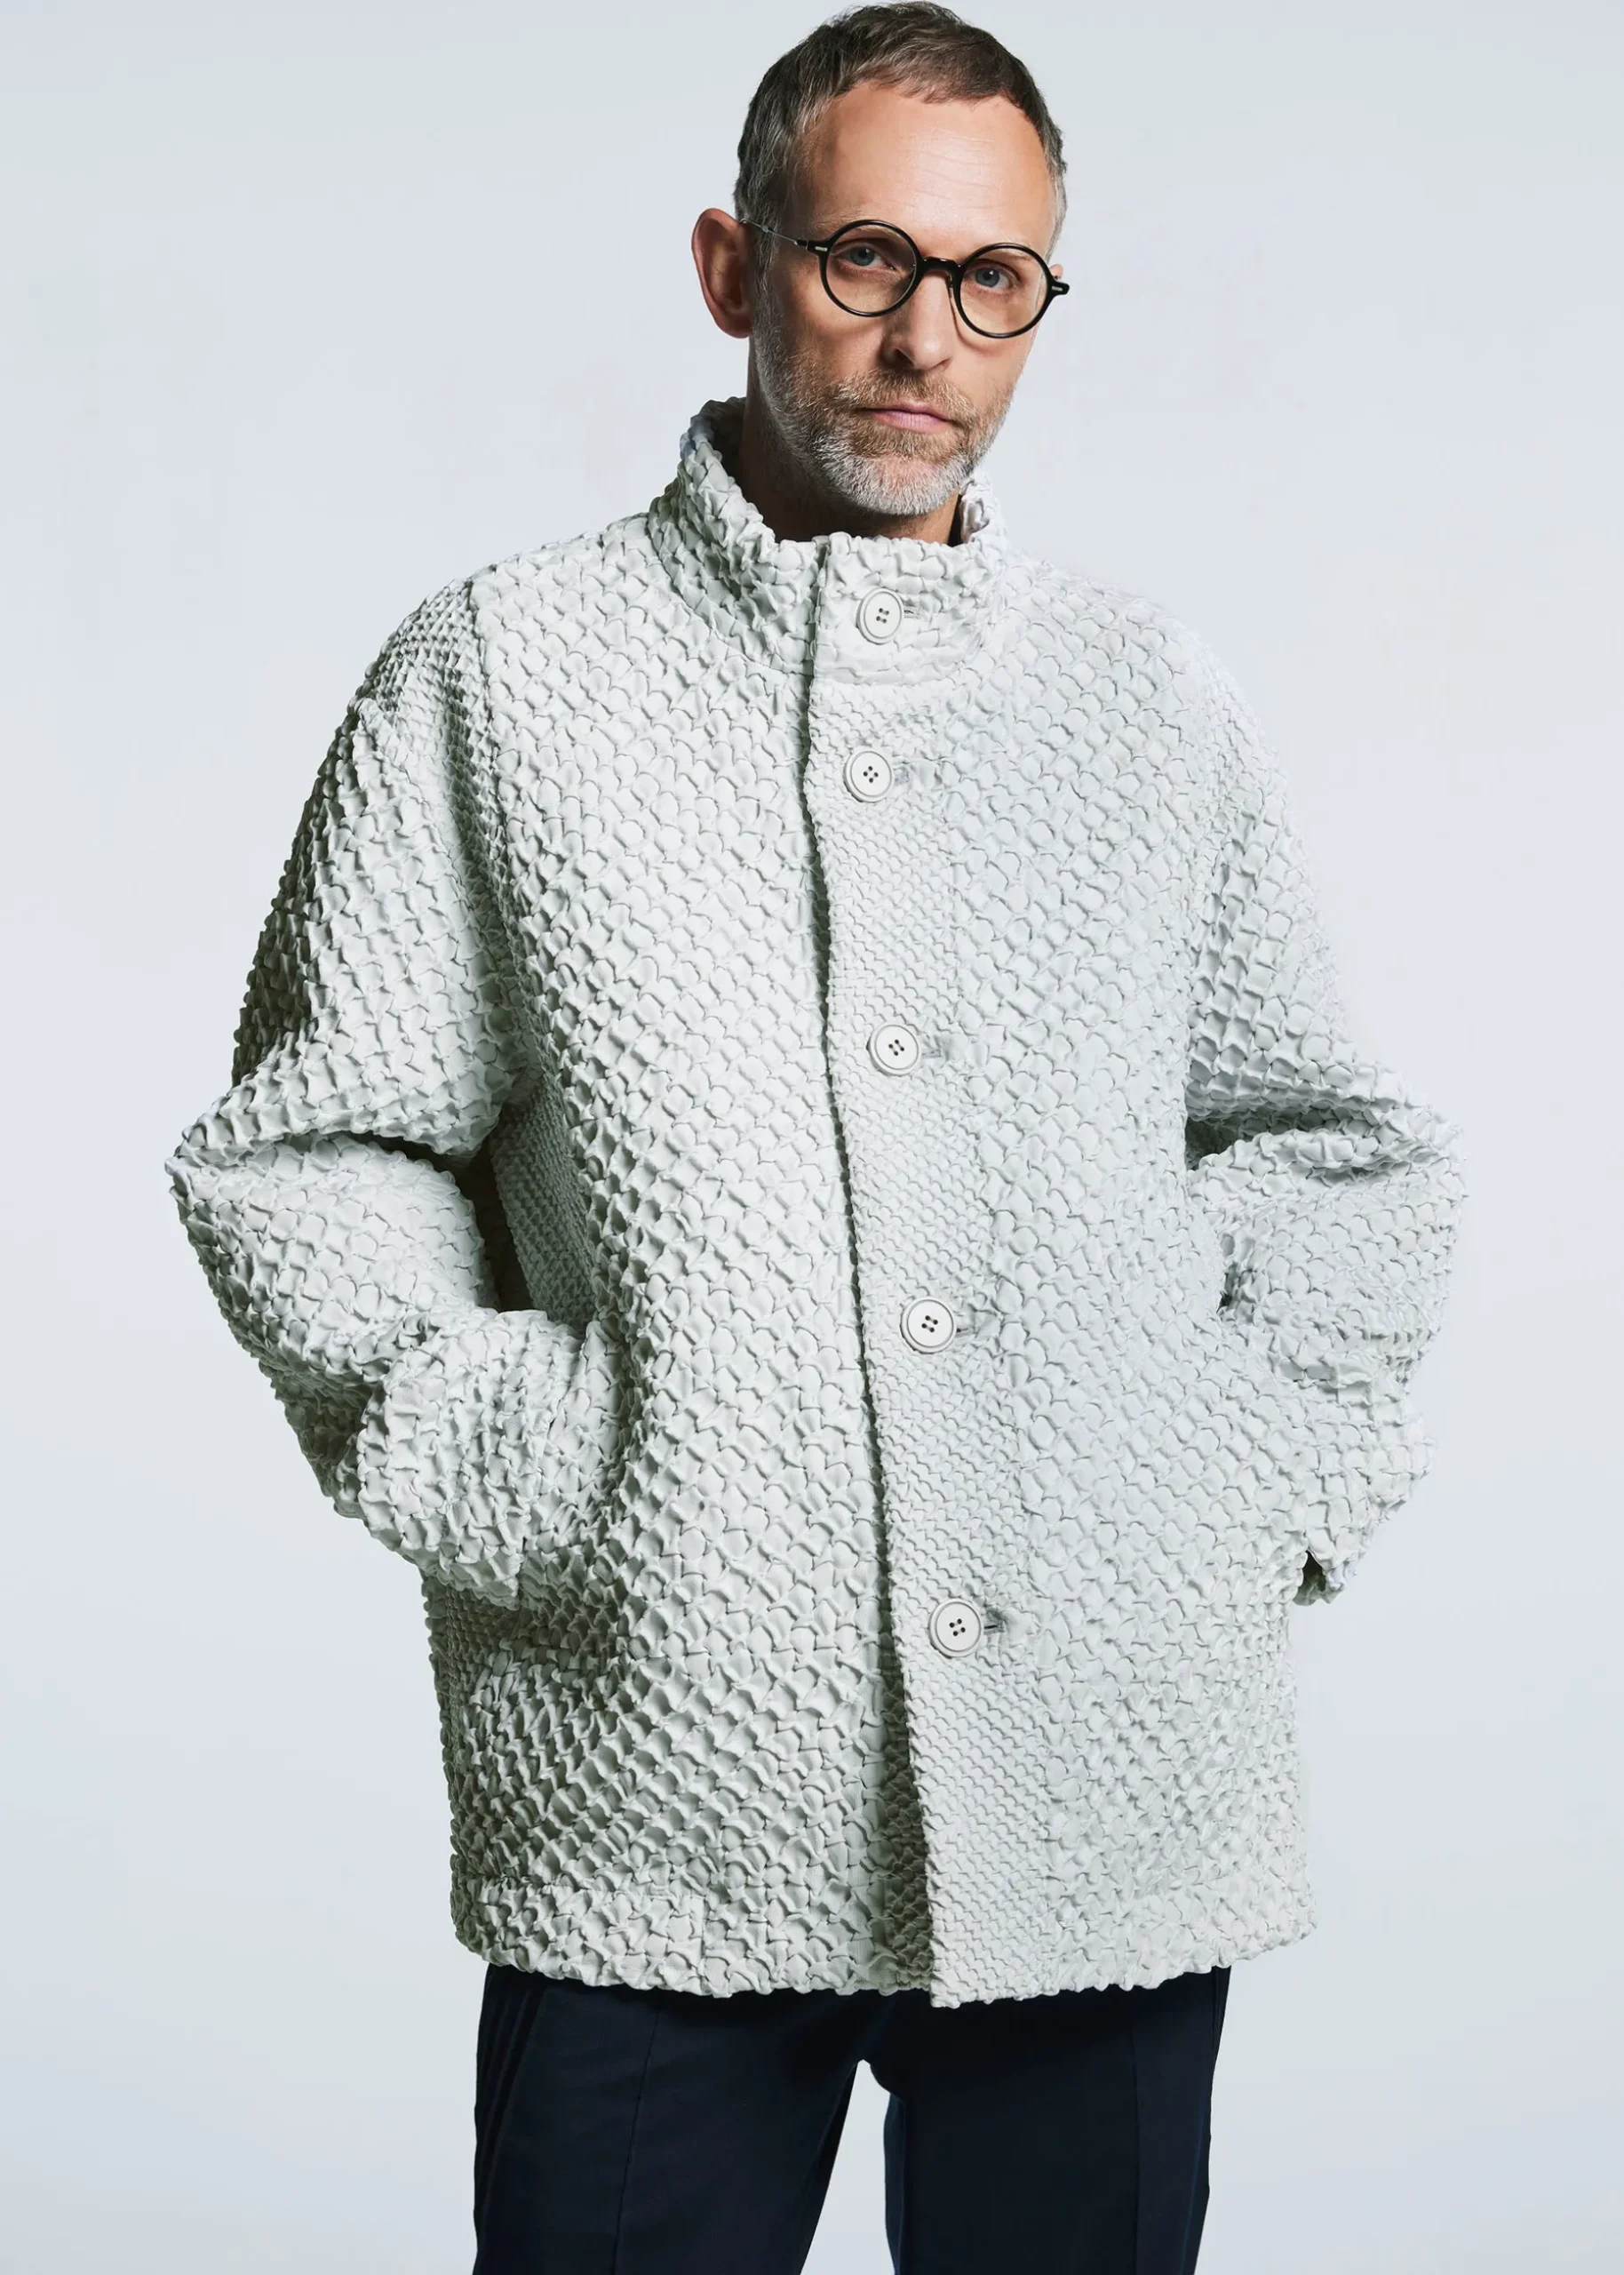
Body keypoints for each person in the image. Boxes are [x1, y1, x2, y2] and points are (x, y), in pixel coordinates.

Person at [167, 5, 1465, 2268]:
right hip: (658, 1779)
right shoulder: (497, 673)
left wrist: (1229, 1491)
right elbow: (309, 1150)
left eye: (993, 279)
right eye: (865, 257)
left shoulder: (1143, 698)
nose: (923, 338)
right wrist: (555, 1469)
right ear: (730, 263)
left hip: (1102, 1784)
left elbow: (1332, 1148)